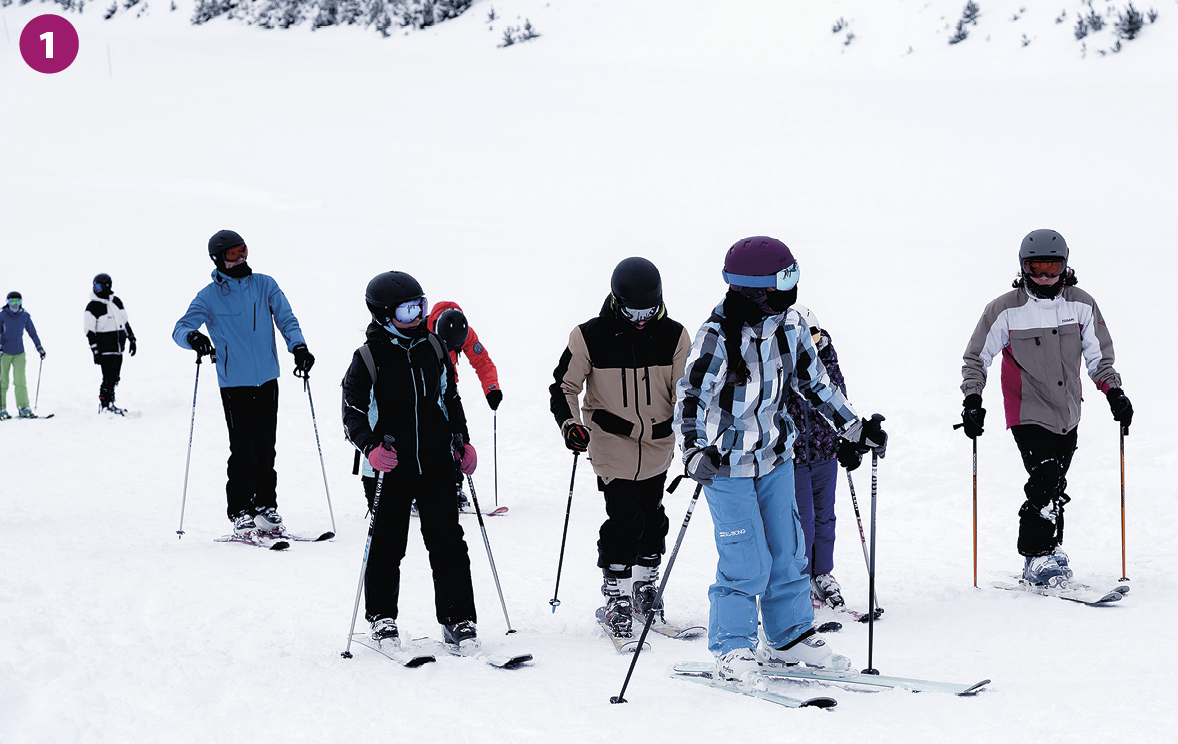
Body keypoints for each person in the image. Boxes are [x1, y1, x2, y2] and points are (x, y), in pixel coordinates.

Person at [675, 236, 887, 681]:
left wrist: (855, 427)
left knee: (787, 553)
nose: (792, 287)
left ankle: (789, 639)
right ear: (756, 289)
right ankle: (733, 649)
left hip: (775, 458)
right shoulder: (716, 336)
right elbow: (691, 395)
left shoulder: (789, 327)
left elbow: (817, 385)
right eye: (784, 279)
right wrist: (693, 448)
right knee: (745, 561)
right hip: (725, 465)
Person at [960, 229, 1132, 587]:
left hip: (1068, 411)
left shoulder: (1081, 304)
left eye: (1052, 268)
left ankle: (1052, 548)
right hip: (1026, 409)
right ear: (1023, 268)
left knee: (1056, 484)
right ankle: (1035, 555)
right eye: (1036, 268)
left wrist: (1114, 392)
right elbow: (977, 358)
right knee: (1046, 475)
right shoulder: (1004, 309)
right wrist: (972, 399)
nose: (1044, 277)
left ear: (1065, 266)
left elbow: (1099, 358)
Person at [549, 257, 692, 637]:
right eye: (632, 310)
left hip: (659, 442)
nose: (641, 318)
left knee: (653, 515)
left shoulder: (675, 337)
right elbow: (564, 387)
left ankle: (645, 584)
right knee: (625, 516)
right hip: (611, 441)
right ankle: (616, 594)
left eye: (650, 310)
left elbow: (688, 394)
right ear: (617, 301)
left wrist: (696, 438)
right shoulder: (589, 336)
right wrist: (571, 425)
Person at [342, 271, 481, 655]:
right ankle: (382, 619)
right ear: (385, 314)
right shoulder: (368, 357)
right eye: (407, 309)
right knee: (387, 543)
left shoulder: (433, 346)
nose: (417, 315)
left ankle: (458, 620)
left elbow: (449, 397)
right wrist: (369, 447)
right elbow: (351, 411)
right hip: (389, 465)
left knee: (449, 542)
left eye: (420, 305)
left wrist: (462, 441)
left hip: (435, 461)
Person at [172, 230, 315, 538]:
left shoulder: (265, 284)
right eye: (232, 254)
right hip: (234, 383)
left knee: (266, 448)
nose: (240, 258)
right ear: (218, 260)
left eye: (243, 250)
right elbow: (180, 328)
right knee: (243, 449)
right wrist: (193, 337)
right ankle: (240, 512)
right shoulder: (208, 296)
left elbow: (287, 320)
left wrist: (299, 347)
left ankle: (265, 508)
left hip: (267, 378)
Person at [783, 305, 849, 609]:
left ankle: (822, 573)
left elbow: (839, 400)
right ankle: (801, 577)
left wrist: (848, 438)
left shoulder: (829, 360)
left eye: (815, 333)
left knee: (826, 518)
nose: (813, 339)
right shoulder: (786, 364)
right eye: (806, 335)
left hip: (825, 452)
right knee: (803, 521)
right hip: (795, 457)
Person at [426, 301, 502, 512]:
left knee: (456, 434)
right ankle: (419, 490)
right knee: (427, 437)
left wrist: (492, 389)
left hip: (449, 388)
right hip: (425, 391)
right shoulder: (422, 332)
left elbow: (482, 361)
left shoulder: (465, 333)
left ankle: (455, 486)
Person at [85, 273, 137, 415]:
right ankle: (105, 404)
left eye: (99, 286)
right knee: (108, 377)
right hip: (105, 349)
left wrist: (132, 339)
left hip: (118, 348)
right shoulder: (92, 307)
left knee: (115, 377)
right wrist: (95, 350)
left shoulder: (116, 302)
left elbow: (125, 322)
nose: (97, 290)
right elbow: (89, 331)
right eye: (95, 286)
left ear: (107, 286)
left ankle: (110, 403)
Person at [0, 291, 46, 420]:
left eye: (17, 302)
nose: (15, 305)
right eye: (12, 302)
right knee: (3, 381)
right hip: (4, 353)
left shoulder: (24, 316)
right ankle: (1, 408)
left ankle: (23, 407)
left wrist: (39, 347)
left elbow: (32, 332)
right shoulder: (2, 316)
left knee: (20, 381)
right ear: (7, 302)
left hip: (19, 353)